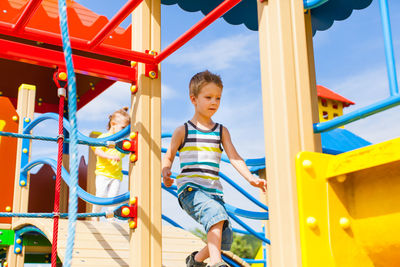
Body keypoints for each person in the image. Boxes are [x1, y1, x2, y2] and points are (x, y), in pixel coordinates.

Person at [162, 70, 267, 267]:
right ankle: (216, 264)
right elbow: (168, 155)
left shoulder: (221, 130)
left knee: (223, 237)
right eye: (208, 97)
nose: (214, 102)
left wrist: (250, 178)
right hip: (190, 190)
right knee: (215, 215)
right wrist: (166, 170)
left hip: (214, 193)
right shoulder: (183, 130)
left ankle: (195, 261)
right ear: (193, 99)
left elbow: (234, 157)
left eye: (218, 98)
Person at [91, 107, 131, 220]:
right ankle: (95, 216)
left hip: (116, 175)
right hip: (103, 173)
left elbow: (125, 153)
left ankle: (111, 220)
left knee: (113, 199)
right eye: (123, 128)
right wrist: (109, 156)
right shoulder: (104, 137)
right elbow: (97, 151)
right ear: (113, 124)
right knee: (101, 195)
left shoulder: (121, 142)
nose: (125, 132)